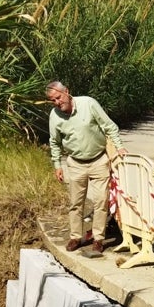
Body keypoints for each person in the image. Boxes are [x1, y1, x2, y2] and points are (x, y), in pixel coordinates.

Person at [46, 81, 127, 253]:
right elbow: (54, 142)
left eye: (58, 98)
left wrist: (119, 147)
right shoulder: (54, 115)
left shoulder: (88, 104)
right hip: (75, 163)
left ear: (67, 92)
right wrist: (57, 165)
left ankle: (98, 239)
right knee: (76, 203)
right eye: (53, 100)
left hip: (99, 160)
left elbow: (109, 126)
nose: (57, 103)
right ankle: (76, 237)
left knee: (100, 202)